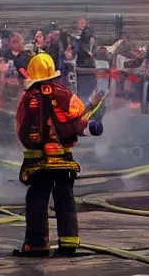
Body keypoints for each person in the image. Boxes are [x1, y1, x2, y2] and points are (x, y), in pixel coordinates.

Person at [13, 53, 103, 257]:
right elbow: (79, 120)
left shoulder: (29, 98)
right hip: (63, 160)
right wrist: (92, 115)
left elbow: (22, 128)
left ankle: (36, 246)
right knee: (65, 200)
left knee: (37, 201)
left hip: (37, 162)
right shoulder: (64, 94)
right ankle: (69, 243)